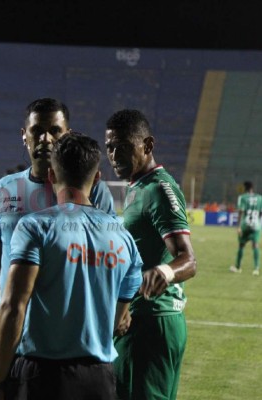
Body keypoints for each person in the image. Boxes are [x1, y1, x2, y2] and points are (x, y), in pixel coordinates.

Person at [0, 97, 116, 400]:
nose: (46, 139)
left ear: (68, 133)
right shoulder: (7, 188)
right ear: (25, 134)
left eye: (55, 130)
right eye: (38, 131)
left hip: (61, 333)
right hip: (8, 322)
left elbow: (108, 262)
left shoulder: (92, 191)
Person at [0, 133, 144, 400]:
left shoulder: (35, 226)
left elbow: (13, 306)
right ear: (96, 179)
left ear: (51, 176)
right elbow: (120, 319)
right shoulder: (123, 238)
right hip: (99, 378)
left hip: (42, 374)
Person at [105, 109, 197, 400]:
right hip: (139, 319)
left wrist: (165, 272)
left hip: (151, 321)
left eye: (123, 146)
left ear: (147, 145)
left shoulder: (159, 188)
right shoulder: (139, 187)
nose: (115, 154)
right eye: (110, 147)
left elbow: (188, 259)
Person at [230, 181, 262, 275]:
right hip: (256, 225)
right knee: (255, 245)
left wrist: (239, 226)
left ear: (245, 188)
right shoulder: (260, 198)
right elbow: (261, 212)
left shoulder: (243, 198)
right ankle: (256, 269)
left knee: (241, 245)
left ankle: (238, 267)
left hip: (245, 225)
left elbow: (241, 212)